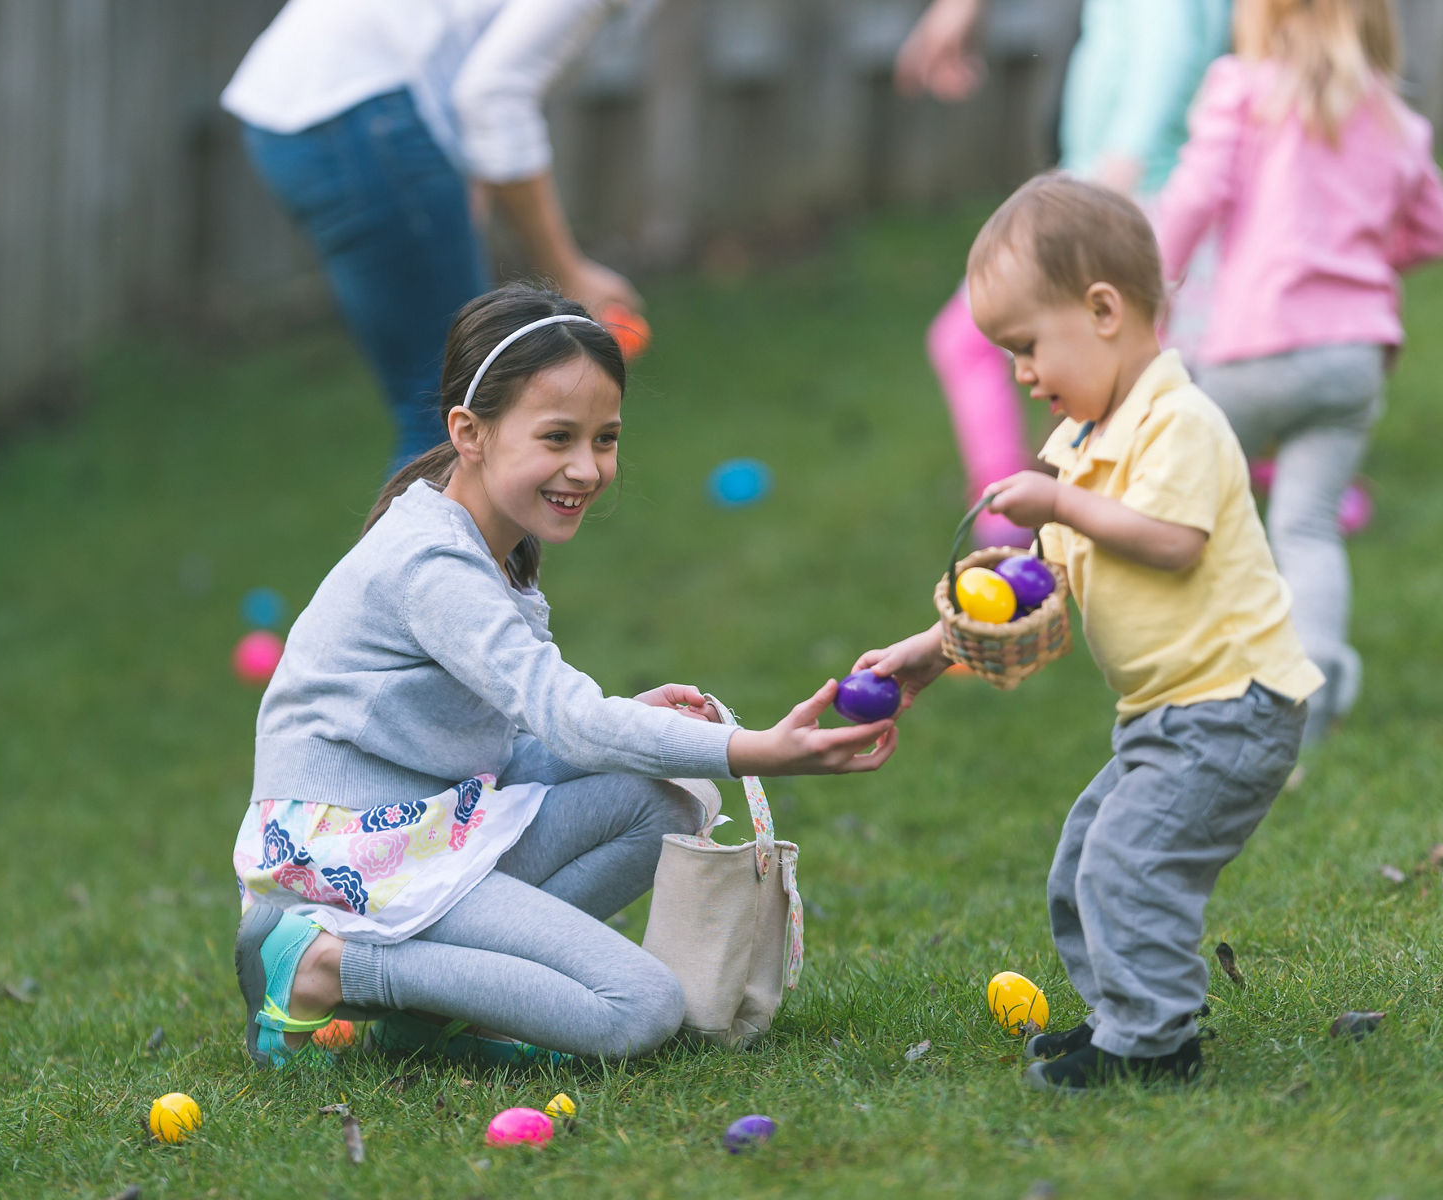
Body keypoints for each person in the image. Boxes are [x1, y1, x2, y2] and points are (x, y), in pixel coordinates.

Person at [230, 284, 898, 1070]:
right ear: (469, 433)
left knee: (667, 802)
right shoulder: (432, 562)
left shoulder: (495, 548)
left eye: (604, 438)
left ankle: (426, 1016)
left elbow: (509, 756)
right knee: (639, 1008)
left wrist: (637, 732)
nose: (586, 467)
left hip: (431, 830)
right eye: (557, 437)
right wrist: (758, 750)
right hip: (357, 862)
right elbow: (568, 717)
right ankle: (324, 966)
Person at [855, 175, 1323, 1092]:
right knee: (1083, 861)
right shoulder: (1080, 441)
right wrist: (927, 651)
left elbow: (1176, 544)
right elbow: (1039, 582)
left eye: (1028, 347)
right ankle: (1124, 1016)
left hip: (1235, 704)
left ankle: (1154, 1046)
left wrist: (1062, 499)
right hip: (1165, 713)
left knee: (1129, 864)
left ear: (1103, 310)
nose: (1023, 375)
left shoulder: (1178, 422)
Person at [1154, 0, 1443, 747]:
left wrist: (1149, 294)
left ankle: (1202, 693)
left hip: (1247, 353)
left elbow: (1194, 196)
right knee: (1307, 525)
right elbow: (1439, 230)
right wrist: (1358, 265)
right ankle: (1311, 700)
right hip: (1352, 357)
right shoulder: (1393, 117)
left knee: (1201, 527)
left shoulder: (1242, 87)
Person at [223, 0, 646, 472]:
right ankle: (430, 548)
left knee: (446, 405)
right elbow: (493, 93)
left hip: (301, 109)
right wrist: (569, 272)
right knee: (453, 415)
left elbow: (467, 62)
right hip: (357, 113)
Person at [897, 0, 1232, 547]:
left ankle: (1002, 515)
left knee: (971, 340)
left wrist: (1123, 161)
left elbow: (1169, 48)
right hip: (1124, 188)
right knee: (1175, 375)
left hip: (1126, 192)